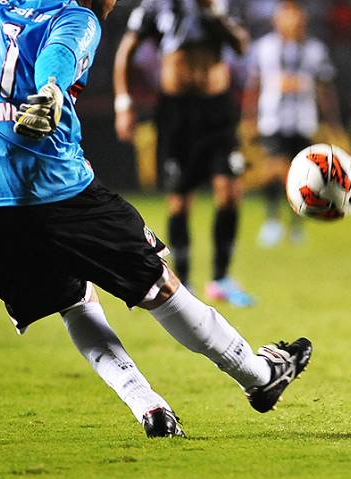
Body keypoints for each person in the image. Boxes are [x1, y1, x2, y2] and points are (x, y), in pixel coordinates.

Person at [0, 0, 312, 437]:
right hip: (44, 184)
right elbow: (59, 55)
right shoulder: (77, 17)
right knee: (159, 285)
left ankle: (148, 406)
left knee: (73, 300)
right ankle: (260, 377)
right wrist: (51, 91)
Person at [113, 0, 255, 307]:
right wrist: (123, 104)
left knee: (229, 190)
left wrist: (213, 13)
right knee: (180, 198)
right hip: (178, 113)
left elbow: (242, 46)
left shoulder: (221, 3)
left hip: (217, 110)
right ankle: (185, 282)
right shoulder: (156, 4)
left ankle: (221, 278)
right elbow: (126, 50)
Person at [245, 0, 341, 247]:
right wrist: (248, 118)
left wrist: (333, 123)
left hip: (303, 120)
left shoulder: (315, 50)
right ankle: (272, 221)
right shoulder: (263, 48)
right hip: (272, 118)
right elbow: (253, 85)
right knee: (273, 169)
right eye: (286, 15)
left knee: (302, 175)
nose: (291, 21)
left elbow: (325, 88)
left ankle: (297, 225)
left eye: (295, 15)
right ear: (276, 19)